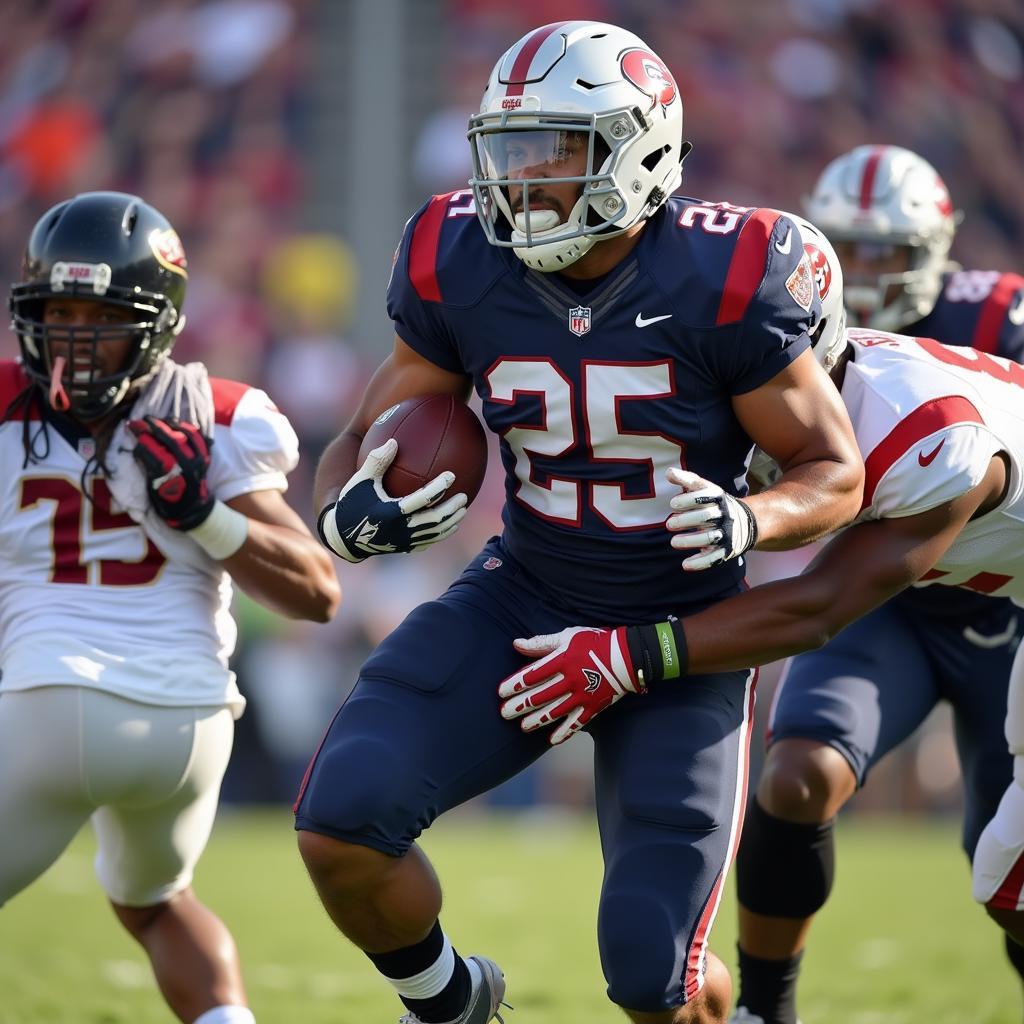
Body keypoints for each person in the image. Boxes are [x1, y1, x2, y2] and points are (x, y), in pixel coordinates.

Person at [298, 21, 863, 1024]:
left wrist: (749, 516)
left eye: (553, 150)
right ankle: (450, 1000)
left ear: (638, 148)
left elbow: (832, 471)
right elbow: (359, 436)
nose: (520, 181)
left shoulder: (724, 275)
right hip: (525, 593)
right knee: (341, 821)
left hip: (677, 632)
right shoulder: (458, 255)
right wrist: (347, 513)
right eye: (507, 151)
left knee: (653, 980)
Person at [497, 217, 1024, 1022]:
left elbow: (817, 609)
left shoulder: (928, 435)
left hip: (977, 596)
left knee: (1006, 874)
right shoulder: (803, 396)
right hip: (991, 586)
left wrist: (627, 655)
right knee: (1001, 880)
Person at [0, 191, 341, 1024]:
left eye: (101, 315)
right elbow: (317, 588)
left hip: (49, 703)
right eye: (60, 311)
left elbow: (319, 599)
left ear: (155, 320)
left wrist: (199, 514)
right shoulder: (216, 414)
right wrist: (212, 516)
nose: (76, 340)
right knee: (154, 902)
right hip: (188, 729)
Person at [731, 145, 1024, 1024]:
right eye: (848, 249)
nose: (862, 274)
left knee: (1001, 866)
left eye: (886, 251)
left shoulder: (997, 320)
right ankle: (764, 1008)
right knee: (798, 775)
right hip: (889, 602)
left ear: (936, 246)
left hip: (998, 598)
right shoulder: (793, 324)